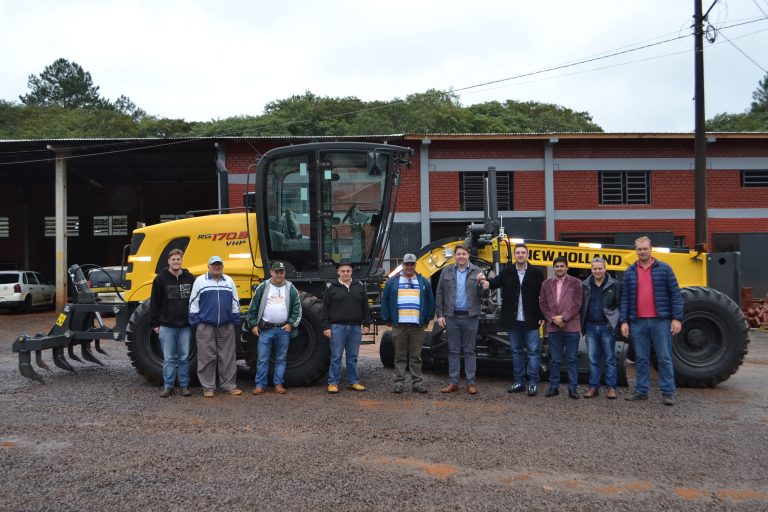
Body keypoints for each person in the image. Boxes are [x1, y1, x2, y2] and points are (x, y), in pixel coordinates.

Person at [620, 236, 683, 406]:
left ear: (651, 249)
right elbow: (625, 298)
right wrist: (624, 321)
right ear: (635, 250)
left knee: (664, 357)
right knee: (641, 358)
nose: (642, 252)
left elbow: (675, 294)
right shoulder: (630, 272)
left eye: (645, 249)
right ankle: (641, 390)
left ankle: (668, 392)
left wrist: (677, 318)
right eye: (639, 249)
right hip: (638, 322)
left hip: (660, 321)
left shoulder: (665, 269)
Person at [485, 243, 545, 396]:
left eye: (523, 252)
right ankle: (519, 382)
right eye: (517, 252)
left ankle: (533, 383)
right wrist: (483, 280)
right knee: (516, 352)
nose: (520, 255)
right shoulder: (507, 272)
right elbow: (494, 283)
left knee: (533, 352)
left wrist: (542, 315)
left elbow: (543, 296)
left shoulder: (537, 273)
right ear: (514, 255)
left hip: (532, 319)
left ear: (527, 255)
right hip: (513, 320)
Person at [435, 245, 487, 395]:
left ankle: (471, 383)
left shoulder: (477, 271)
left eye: (464, 254)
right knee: (453, 351)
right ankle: (453, 383)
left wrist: (485, 285)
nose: (461, 256)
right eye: (458, 254)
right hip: (451, 317)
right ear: (454, 256)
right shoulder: (446, 271)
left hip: (470, 317)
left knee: (470, 350)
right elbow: (439, 293)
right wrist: (440, 315)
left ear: (468, 255)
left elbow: (484, 295)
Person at [189, 255, 243, 397]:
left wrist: (235, 321)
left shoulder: (229, 281)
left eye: (219, 264)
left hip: (226, 325)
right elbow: (193, 303)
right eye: (214, 264)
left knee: (228, 357)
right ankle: (208, 387)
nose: (216, 267)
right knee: (207, 357)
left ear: (222, 267)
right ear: (208, 267)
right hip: (205, 325)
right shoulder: (200, 281)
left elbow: (235, 301)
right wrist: (197, 323)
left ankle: (229, 386)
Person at [381, 253, 435, 394]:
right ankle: (399, 383)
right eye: (407, 264)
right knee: (399, 356)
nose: (409, 267)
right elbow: (385, 300)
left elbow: (430, 301)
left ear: (415, 265)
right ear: (402, 265)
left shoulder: (423, 282)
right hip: (399, 325)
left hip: (418, 326)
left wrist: (427, 318)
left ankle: (417, 383)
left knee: (416, 356)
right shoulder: (392, 282)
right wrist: (387, 318)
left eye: (412, 264)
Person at [247, 261, 302, 395]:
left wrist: (291, 324)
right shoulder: (263, 286)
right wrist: (253, 325)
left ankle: (278, 384)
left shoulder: (290, 288)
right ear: (271, 272)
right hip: (265, 330)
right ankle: (260, 385)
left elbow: (297, 308)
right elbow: (253, 306)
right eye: (276, 272)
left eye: (281, 272)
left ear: (284, 273)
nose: (279, 274)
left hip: (283, 330)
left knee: (281, 359)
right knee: (262, 359)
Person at [150, 248, 196, 398]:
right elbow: (154, 303)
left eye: (178, 259)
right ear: (168, 261)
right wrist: (155, 324)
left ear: (182, 261)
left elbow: (196, 301)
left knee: (184, 358)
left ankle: (184, 386)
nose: (176, 262)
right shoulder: (160, 279)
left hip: (185, 326)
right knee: (169, 358)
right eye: (173, 259)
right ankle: (168, 386)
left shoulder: (190, 278)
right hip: (167, 326)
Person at [322, 259, 372, 394]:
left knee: (353, 357)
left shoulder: (359, 286)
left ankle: (353, 381)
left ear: (352, 272)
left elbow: (365, 306)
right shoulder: (331, 287)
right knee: (336, 356)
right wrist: (326, 327)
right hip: (337, 327)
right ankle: (333, 383)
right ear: (338, 272)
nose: (345, 273)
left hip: (355, 327)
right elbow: (325, 308)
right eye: (343, 271)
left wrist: (367, 323)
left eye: (348, 271)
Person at [539, 256, 583, 399]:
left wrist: (563, 318)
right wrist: (554, 319)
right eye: (557, 266)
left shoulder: (576, 283)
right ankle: (553, 387)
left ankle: (573, 389)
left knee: (572, 359)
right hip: (554, 327)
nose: (559, 268)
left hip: (571, 326)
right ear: (554, 268)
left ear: (567, 267)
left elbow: (577, 304)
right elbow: (543, 304)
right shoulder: (546, 284)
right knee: (555, 360)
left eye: (562, 266)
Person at [580, 257, 621, 399]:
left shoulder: (615, 285)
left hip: (607, 327)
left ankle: (611, 388)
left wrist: (615, 324)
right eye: (595, 268)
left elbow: (619, 305)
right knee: (593, 359)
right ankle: (593, 387)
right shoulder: (585, 285)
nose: (597, 271)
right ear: (591, 270)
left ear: (605, 269)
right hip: (591, 327)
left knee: (609, 359)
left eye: (600, 268)